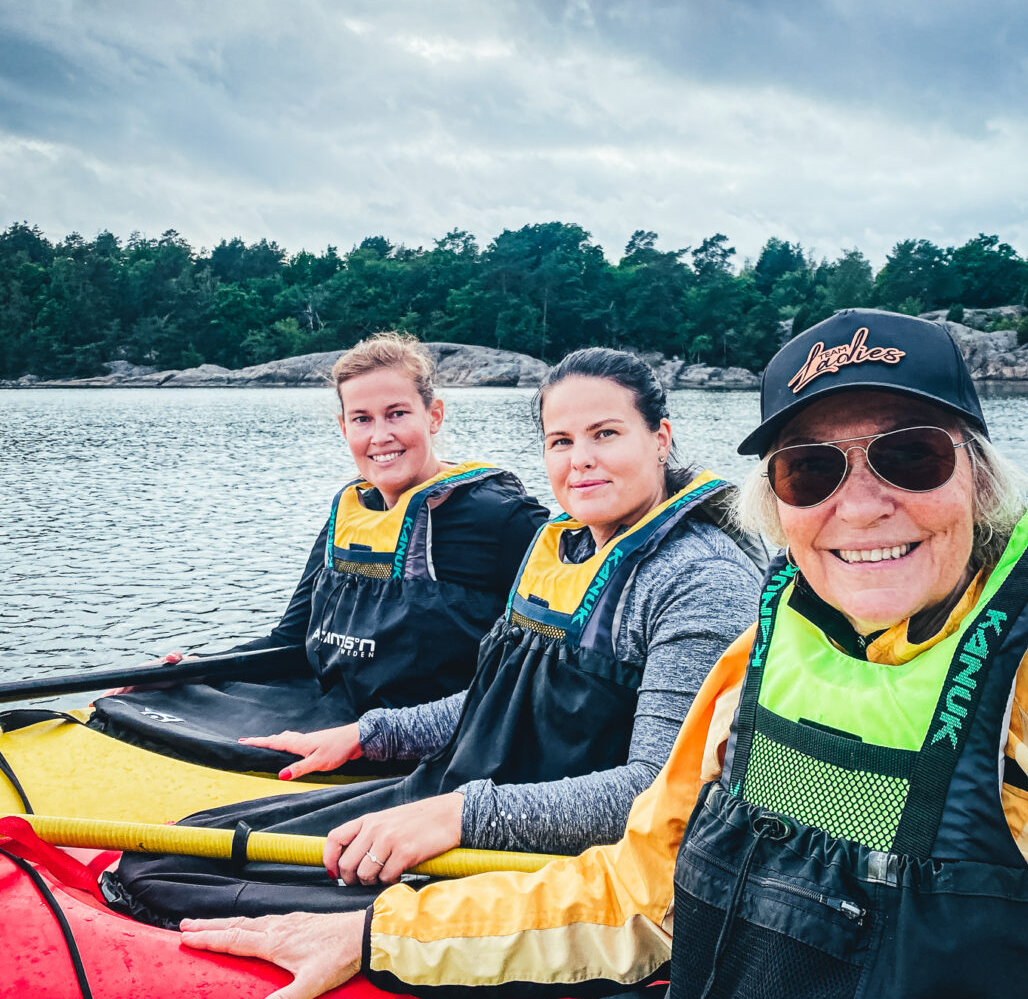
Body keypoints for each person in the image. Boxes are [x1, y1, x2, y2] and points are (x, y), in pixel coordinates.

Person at [156, 310, 1028, 999]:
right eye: (811, 468)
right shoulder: (758, 664)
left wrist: (453, 814)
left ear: (975, 471)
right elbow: (645, 893)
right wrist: (378, 933)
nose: (857, 504)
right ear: (776, 494)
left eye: (908, 455)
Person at [109, 348, 764, 922]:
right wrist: (370, 734)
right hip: (468, 798)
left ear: (660, 437)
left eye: (605, 433)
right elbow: (496, 702)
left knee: (184, 885)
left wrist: (458, 815)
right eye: (560, 440)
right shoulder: (557, 544)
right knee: (175, 854)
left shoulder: (699, 578)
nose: (581, 460)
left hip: (559, 859)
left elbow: (655, 795)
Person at [88, 331, 548, 775]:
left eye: (397, 414)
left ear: (434, 416)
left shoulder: (505, 518)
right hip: (328, 710)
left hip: (432, 741)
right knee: (139, 706)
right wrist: (197, 670)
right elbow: (291, 643)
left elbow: (542, 675)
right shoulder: (349, 515)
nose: (380, 435)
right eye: (362, 418)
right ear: (344, 426)